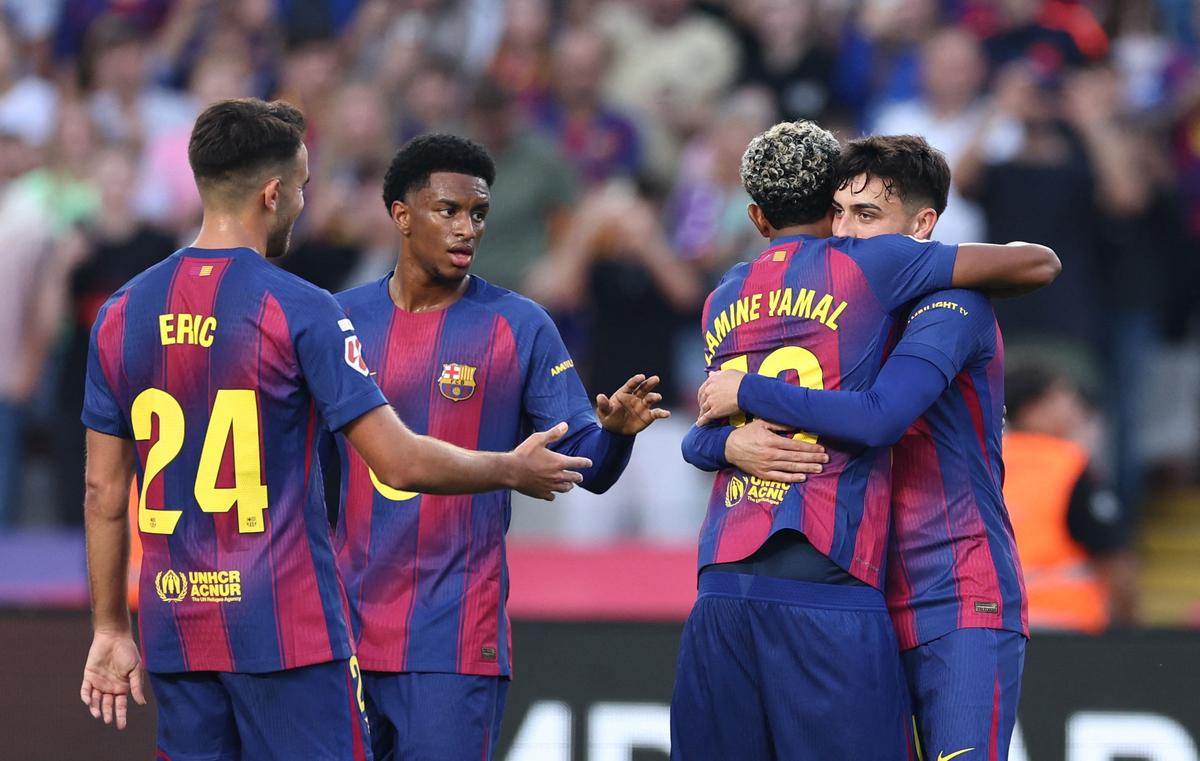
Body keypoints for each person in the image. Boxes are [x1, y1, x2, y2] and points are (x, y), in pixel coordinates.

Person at [78, 98, 592, 760]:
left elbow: (101, 490)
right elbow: (397, 461)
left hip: (175, 623)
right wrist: (509, 468)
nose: (303, 202)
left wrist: (109, 628)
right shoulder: (299, 308)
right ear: (272, 193)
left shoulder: (122, 313)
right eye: (302, 186)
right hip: (287, 627)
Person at [670, 121, 1058, 761]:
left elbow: (879, 415)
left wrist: (746, 393)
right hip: (863, 581)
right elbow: (711, 431)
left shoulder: (952, 306)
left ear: (921, 227)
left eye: (867, 214)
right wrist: (724, 445)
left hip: (952, 586)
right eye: (838, 212)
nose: (846, 232)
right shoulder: (841, 313)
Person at [330, 133, 672, 761]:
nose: (467, 229)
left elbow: (585, 464)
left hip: (454, 636)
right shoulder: (335, 322)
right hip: (339, 633)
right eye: (448, 211)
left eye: (479, 214)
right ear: (401, 216)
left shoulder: (518, 325)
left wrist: (616, 434)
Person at [1003, 362, 1135, 632]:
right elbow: (1113, 558)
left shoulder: (986, 459)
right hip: (1067, 628)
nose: (1074, 406)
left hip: (999, 621)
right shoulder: (1069, 464)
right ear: (1031, 409)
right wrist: (1130, 626)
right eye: (1061, 396)